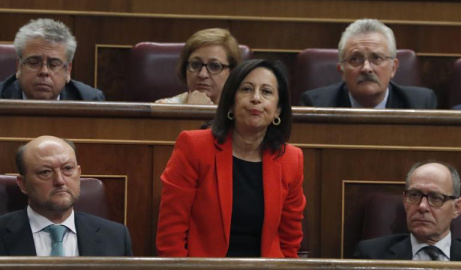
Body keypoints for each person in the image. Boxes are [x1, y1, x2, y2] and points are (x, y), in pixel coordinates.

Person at [156, 59, 306, 257]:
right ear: (230, 102)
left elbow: (290, 241)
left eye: (267, 92)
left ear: (278, 110)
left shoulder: (291, 159)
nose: (256, 98)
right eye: (246, 89)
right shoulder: (194, 147)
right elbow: (170, 235)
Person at [0, 136, 132, 256]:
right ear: (23, 184)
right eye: (45, 172)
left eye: (68, 169)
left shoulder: (116, 236)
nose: (60, 181)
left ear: (79, 174)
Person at [354, 162, 461, 261]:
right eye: (414, 195)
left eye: (435, 198)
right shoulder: (372, 255)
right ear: (405, 201)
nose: (422, 206)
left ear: (457, 208)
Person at [300, 19, 437, 109]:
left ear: (393, 68)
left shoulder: (420, 104)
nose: (366, 68)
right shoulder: (316, 105)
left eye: (376, 58)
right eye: (356, 59)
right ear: (341, 71)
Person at [0, 18, 105, 101]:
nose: (44, 71)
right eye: (34, 62)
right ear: (19, 67)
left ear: (68, 70)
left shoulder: (88, 100)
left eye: (54, 64)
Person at [155, 28, 242, 105]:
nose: (202, 74)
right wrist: (191, 112)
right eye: (195, 64)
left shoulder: (242, 113)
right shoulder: (162, 109)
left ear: (232, 72)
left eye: (215, 66)